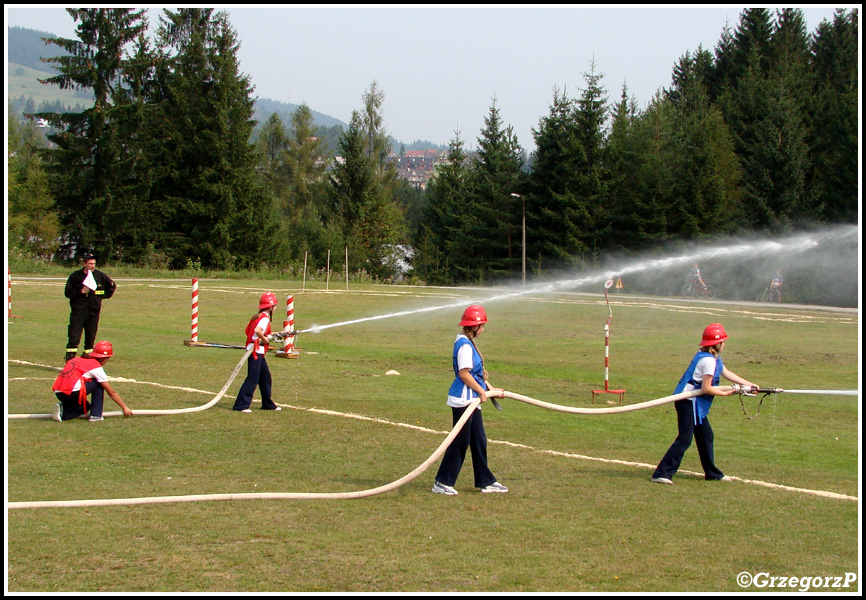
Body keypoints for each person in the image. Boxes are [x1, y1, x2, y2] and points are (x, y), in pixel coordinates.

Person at [651, 323, 757, 484]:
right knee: (685, 439)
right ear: (717, 344)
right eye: (723, 341)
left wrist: (749, 385)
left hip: (694, 402)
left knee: (706, 436)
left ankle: (712, 473)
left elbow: (727, 373)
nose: (725, 344)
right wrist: (726, 393)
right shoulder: (708, 362)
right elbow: (707, 388)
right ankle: (662, 473)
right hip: (688, 401)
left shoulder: (713, 358)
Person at [432, 305, 508, 496]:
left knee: (479, 440)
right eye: (481, 326)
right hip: (464, 401)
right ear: (473, 327)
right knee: (460, 441)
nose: (483, 329)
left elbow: (477, 374)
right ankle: (442, 482)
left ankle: (485, 481)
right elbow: (465, 374)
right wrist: (482, 392)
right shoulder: (465, 345)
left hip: (471, 400)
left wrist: (490, 389)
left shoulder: (468, 342)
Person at [52, 340, 133, 422]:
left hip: (59, 393)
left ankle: (63, 412)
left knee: (85, 407)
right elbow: (111, 392)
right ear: (104, 358)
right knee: (99, 383)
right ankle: (96, 415)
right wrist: (124, 407)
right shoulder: (95, 367)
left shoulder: (77, 359)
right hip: (72, 393)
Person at [232, 292, 283, 413]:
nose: (275, 308)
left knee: (265, 378)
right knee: (253, 379)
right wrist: (265, 340)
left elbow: (248, 331)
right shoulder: (264, 318)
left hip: (256, 350)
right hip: (255, 352)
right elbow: (257, 330)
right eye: (274, 306)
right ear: (270, 307)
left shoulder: (257, 316)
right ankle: (241, 405)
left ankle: (267, 404)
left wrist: (270, 335)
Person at [64, 253, 116, 362]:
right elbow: (68, 293)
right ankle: (70, 359)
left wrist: (100, 298)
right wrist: (81, 291)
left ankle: (88, 359)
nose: (92, 266)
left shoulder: (100, 276)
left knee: (90, 336)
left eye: (94, 264)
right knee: (74, 335)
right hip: (78, 310)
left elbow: (111, 286)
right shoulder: (75, 276)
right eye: (90, 264)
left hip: (93, 311)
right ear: (84, 264)